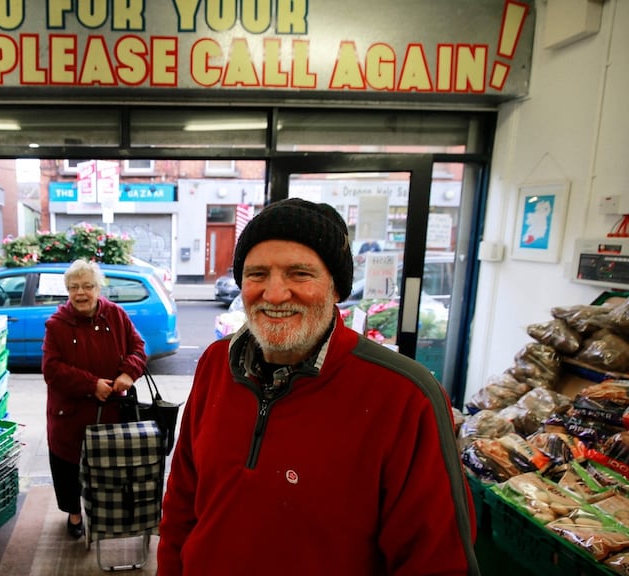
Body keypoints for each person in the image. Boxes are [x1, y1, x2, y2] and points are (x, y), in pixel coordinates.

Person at [157, 198, 478, 575]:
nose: (274, 294)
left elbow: (438, 561)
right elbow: (181, 503)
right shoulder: (216, 363)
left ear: (337, 289)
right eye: (257, 274)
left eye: (299, 274)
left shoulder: (405, 397)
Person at [42, 259, 148, 540]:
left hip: (111, 412)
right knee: (68, 467)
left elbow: (138, 347)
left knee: (108, 469)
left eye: (88, 286)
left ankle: (105, 512)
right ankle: (74, 513)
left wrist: (129, 371)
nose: (81, 293)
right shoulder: (56, 324)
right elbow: (51, 369)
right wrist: (91, 385)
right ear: (67, 290)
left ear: (98, 288)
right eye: (74, 287)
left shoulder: (117, 315)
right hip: (69, 416)